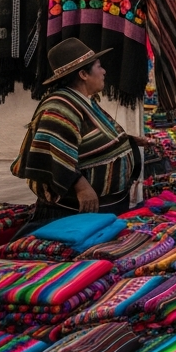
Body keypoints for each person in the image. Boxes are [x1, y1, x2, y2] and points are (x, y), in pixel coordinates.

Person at [10, 38, 144, 228]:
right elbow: (53, 152)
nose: (104, 71)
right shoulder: (59, 107)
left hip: (102, 210)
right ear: (83, 74)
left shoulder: (81, 101)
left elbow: (90, 138)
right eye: (99, 67)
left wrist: (128, 141)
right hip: (73, 215)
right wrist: (80, 185)